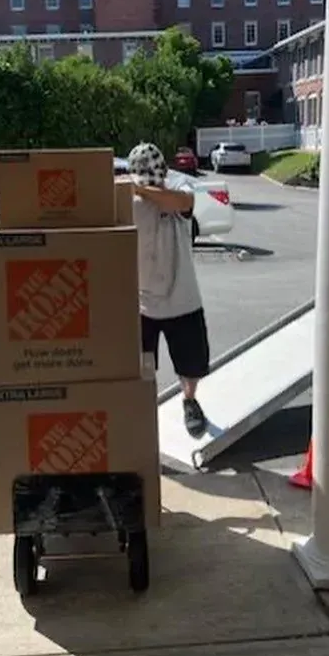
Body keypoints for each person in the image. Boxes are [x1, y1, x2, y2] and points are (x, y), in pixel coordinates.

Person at [126, 142, 210, 439]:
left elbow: (182, 204)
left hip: (182, 298)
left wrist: (143, 190)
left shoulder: (178, 184)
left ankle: (189, 401)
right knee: (140, 367)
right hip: (141, 302)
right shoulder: (127, 200)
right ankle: (142, 414)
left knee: (191, 364)